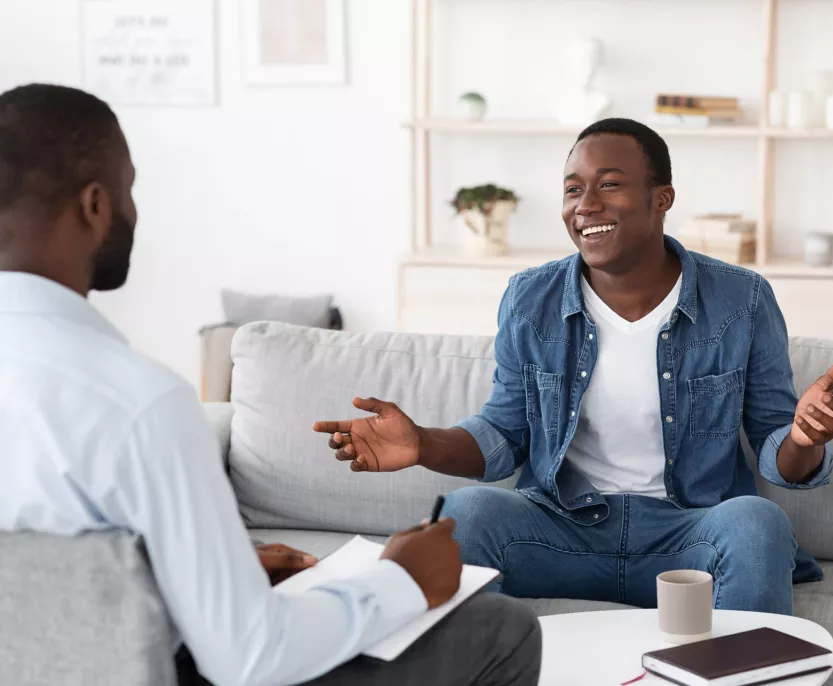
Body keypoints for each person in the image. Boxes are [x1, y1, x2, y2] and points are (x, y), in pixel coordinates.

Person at [0, 83, 541, 686]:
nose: (133, 210)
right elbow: (251, 657)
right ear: (95, 205)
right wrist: (401, 580)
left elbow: (51, 596)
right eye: (129, 188)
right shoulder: (137, 405)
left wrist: (209, 575)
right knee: (500, 630)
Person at [314, 118, 833, 616]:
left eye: (609, 184)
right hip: (561, 533)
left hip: (687, 538)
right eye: (573, 189)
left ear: (661, 198)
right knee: (468, 513)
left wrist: (804, 436)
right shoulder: (530, 299)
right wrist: (422, 445)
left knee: (757, 522)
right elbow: (505, 433)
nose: (585, 203)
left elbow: (779, 455)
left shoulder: (741, 300)